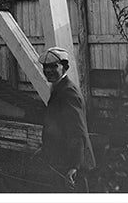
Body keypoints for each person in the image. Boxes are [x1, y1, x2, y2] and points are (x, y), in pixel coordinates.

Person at [35, 46, 96, 192]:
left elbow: (77, 131)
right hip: (60, 159)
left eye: (53, 66)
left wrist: (74, 166)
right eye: (45, 67)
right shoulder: (59, 88)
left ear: (65, 67)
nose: (48, 71)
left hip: (71, 164)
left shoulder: (68, 92)